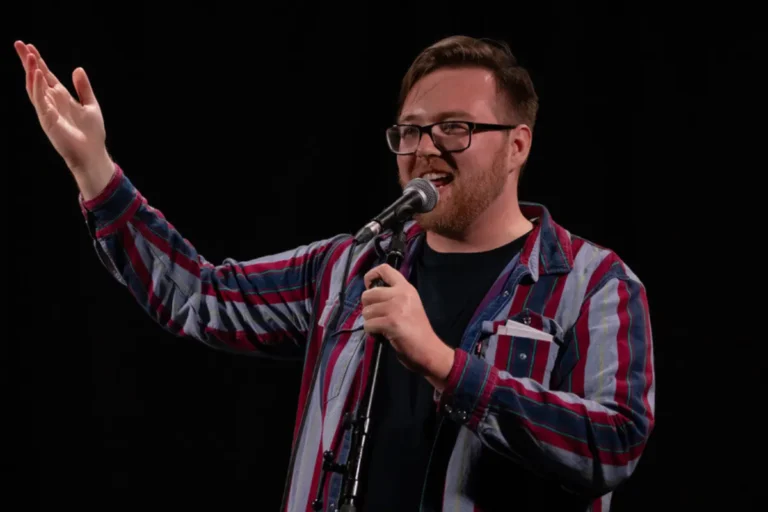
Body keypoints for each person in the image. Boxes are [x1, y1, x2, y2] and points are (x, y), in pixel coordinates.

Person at [14, 35, 655, 511]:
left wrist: (444, 364)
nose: (426, 148)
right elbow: (199, 296)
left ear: (518, 145)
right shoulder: (352, 265)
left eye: (455, 128)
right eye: (410, 131)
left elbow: (614, 442)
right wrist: (94, 171)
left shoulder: (592, 284)